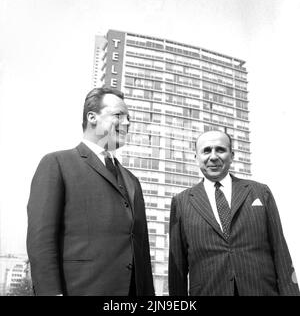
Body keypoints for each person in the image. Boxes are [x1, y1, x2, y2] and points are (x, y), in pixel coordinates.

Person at [27, 87, 154, 296]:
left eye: (129, 118)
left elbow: (142, 250)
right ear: (92, 117)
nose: (128, 123)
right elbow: (41, 239)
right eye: (119, 115)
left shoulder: (133, 181)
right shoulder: (57, 163)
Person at [168, 130, 299, 296]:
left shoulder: (260, 192)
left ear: (232, 155)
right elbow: (177, 268)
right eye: (206, 150)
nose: (213, 156)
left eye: (220, 150)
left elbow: (280, 252)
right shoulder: (181, 202)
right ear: (196, 158)